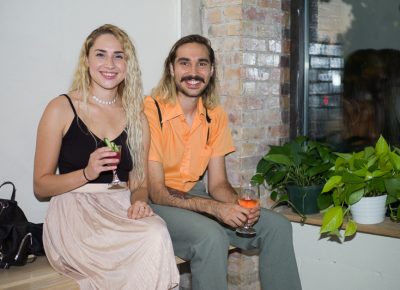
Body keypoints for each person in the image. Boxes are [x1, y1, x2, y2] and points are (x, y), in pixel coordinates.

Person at [143, 34, 302, 290]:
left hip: (197, 197)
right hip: (158, 204)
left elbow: (217, 183)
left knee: (278, 227)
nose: (193, 72)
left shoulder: (215, 115)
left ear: (212, 70)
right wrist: (216, 209)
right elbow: (157, 191)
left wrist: (236, 205)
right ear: (171, 69)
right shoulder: (151, 110)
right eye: (184, 63)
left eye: (202, 64)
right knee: (211, 236)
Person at [33, 24, 179, 290]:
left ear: (127, 64)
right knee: (144, 242)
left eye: (118, 56)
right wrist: (86, 173)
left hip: (121, 206)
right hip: (75, 212)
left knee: (156, 232)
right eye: (100, 54)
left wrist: (139, 202)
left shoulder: (137, 117)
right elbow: (41, 187)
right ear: (86, 60)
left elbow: (140, 183)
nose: (109, 64)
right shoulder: (61, 108)